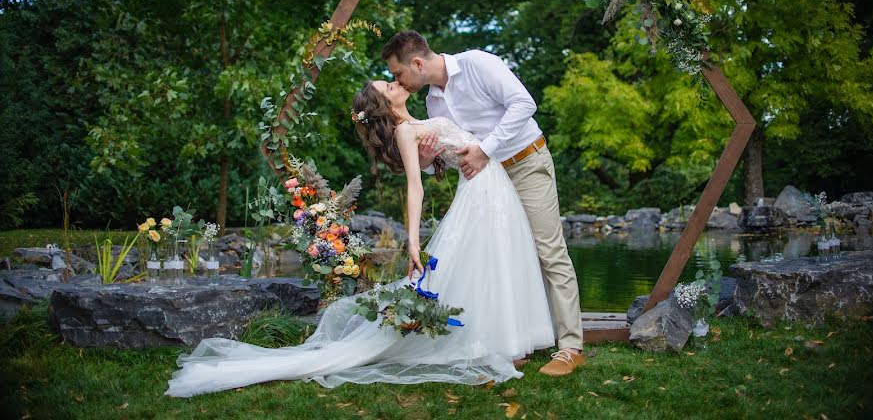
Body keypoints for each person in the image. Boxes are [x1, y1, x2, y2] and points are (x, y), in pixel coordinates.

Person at [165, 80, 555, 397]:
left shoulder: (420, 120)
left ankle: (506, 341)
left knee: (491, 264)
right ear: (384, 104)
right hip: (481, 193)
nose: (396, 81)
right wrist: (414, 243)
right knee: (486, 263)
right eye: (388, 83)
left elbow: (439, 157)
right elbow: (415, 188)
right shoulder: (404, 130)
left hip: (489, 187)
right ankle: (498, 345)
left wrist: (432, 153)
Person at [381, 31, 585, 376]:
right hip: (485, 185)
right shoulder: (433, 103)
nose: (397, 81)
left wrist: (485, 149)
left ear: (417, 63)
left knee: (548, 250)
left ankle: (570, 347)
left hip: (525, 164)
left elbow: (524, 104)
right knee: (500, 258)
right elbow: (451, 154)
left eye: (398, 74)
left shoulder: (479, 63)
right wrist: (430, 160)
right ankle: (516, 338)